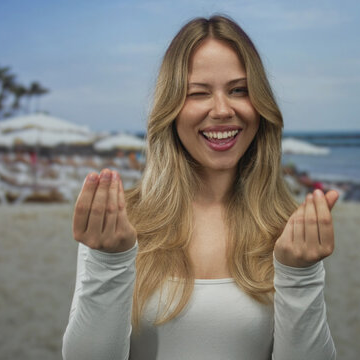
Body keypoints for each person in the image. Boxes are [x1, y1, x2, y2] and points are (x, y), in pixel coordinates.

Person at [62, 15, 339, 360]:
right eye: (198, 93)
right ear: (171, 108)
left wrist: (301, 277)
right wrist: (108, 262)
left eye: (239, 90)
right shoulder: (120, 225)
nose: (222, 110)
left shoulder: (289, 231)